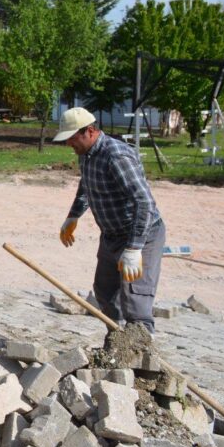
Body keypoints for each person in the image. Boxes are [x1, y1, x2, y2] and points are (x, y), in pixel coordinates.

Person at [54, 107, 167, 333]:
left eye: (72, 138)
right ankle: (116, 348)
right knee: (105, 293)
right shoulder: (86, 155)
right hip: (111, 235)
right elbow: (86, 185)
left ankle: (142, 357)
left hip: (140, 234)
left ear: (89, 131)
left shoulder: (116, 156)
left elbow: (144, 203)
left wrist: (135, 248)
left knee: (135, 301)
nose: (69, 144)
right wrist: (73, 216)